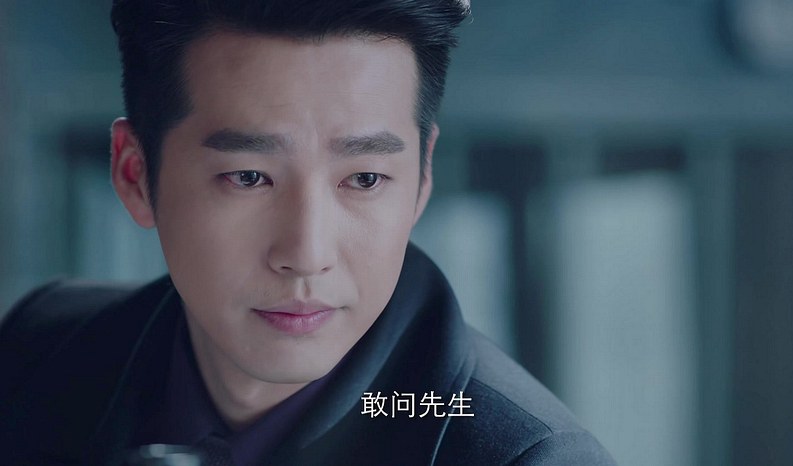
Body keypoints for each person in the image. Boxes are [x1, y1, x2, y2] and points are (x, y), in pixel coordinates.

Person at [0, 1, 616, 465]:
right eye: (248, 176)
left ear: (422, 178)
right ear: (135, 175)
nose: (306, 255)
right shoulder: (38, 353)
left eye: (365, 178)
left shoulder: (523, 456)